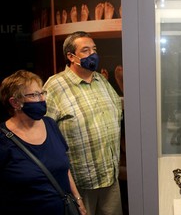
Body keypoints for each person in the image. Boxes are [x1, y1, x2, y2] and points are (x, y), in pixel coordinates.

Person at [43, 31, 123, 215]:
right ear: (71, 56)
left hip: (110, 178)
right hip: (80, 184)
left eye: (94, 49)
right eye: (85, 50)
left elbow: (116, 114)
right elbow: (45, 134)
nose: (92, 54)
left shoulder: (101, 80)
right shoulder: (55, 86)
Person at [0, 70, 87, 215]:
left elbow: (64, 169)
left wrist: (78, 199)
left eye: (42, 93)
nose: (41, 99)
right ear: (15, 102)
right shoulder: (3, 140)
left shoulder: (50, 124)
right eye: (34, 95)